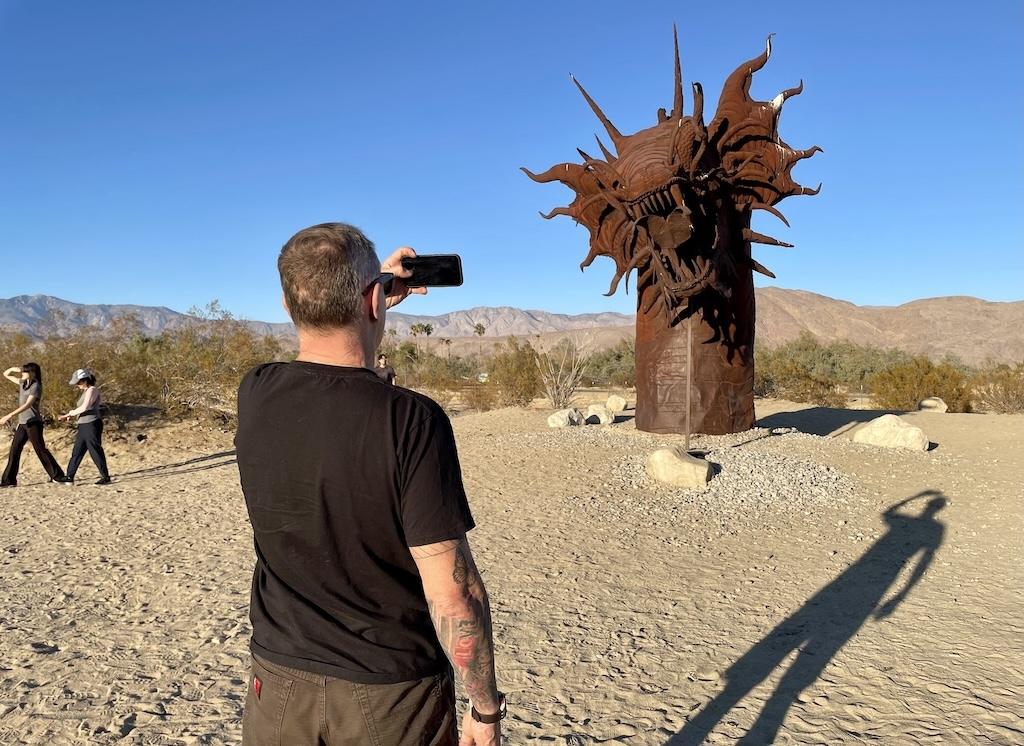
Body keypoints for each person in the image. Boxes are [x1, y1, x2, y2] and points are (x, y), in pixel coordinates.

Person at [235, 223, 504, 746]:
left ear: (289, 308)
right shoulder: (411, 420)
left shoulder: (257, 391)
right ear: (373, 301)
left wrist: (373, 296)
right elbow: (454, 595)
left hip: (278, 683)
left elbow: (328, 377)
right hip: (391, 694)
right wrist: (486, 708)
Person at [1, 363, 66, 487]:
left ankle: (57, 476)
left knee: (40, 450)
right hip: (23, 423)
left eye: (25, 371)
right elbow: (6, 374)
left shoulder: (36, 386)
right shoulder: (22, 383)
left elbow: (27, 405)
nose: (22, 373)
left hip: (33, 423)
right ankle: (8, 481)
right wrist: (16, 368)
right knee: (14, 450)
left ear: (32, 373)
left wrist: (9, 415)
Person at [57, 368, 111, 485]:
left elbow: (85, 407)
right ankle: (69, 476)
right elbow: (81, 409)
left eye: (79, 382)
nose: (77, 385)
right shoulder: (86, 391)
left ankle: (105, 476)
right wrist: (71, 415)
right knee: (77, 451)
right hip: (83, 424)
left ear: (85, 380)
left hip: (92, 424)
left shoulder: (92, 390)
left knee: (94, 450)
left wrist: (69, 413)